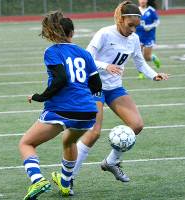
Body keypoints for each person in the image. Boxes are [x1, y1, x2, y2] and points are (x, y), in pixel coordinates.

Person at [71, 0, 168, 193]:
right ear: (120, 19)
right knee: (94, 132)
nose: (133, 30)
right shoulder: (105, 34)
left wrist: (153, 75)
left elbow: (140, 63)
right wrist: (106, 66)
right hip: (94, 86)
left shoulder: (133, 39)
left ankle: (111, 162)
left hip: (115, 88)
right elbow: (87, 57)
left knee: (137, 125)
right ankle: (69, 177)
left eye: (136, 26)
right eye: (130, 25)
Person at [18, 11, 102, 199]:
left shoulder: (52, 51)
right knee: (70, 141)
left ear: (53, 32)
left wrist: (39, 96)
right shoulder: (85, 53)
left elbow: (61, 79)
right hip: (88, 111)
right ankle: (65, 185)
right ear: (72, 33)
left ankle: (37, 180)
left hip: (61, 109)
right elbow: (97, 85)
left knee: (26, 143)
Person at [136, 0, 161, 80]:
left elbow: (157, 22)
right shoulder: (135, 10)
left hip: (149, 36)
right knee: (138, 56)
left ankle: (153, 57)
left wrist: (150, 26)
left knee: (147, 57)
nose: (142, 1)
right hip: (138, 36)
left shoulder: (151, 10)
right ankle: (141, 73)